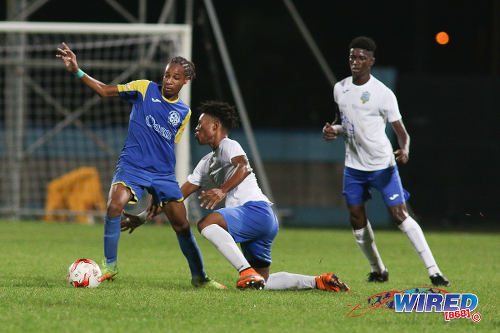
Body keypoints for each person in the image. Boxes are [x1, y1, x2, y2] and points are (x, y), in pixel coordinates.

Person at [123, 101, 350, 292]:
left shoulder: (228, 145)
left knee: (206, 223)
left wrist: (222, 190)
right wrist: (143, 216)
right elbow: (177, 196)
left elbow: (243, 167)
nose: (196, 130)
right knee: (265, 281)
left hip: (255, 211)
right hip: (263, 220)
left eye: (200, 125)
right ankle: (318, 281)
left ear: (215, 125)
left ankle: (245, 271)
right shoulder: (206, 163)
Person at [56, 42, 224, 289]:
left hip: (163, 174)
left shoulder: (184, 112)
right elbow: (104, 91)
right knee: (115, 204)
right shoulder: (144, 89)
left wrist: (154, 201)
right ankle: (110, 266)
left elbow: (167, 147)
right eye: (167, 74)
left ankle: (199, 277)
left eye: (176, 77)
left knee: (182, 224)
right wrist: (77, 71)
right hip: (132, 165)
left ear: (185, 81)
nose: (169, 80)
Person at [322, 36, 450, 286]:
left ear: (371, 61)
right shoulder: (340, 88)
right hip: (354, 168)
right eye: (352, 57)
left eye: (360, 57)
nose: (355, 62)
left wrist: (405, 150)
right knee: (356, 218)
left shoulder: (383, 94)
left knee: (399, 215)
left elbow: (402, 133)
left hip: (382, 165)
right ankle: (378, 269)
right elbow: (344, 122)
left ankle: (434, 271)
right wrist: (332, 130)